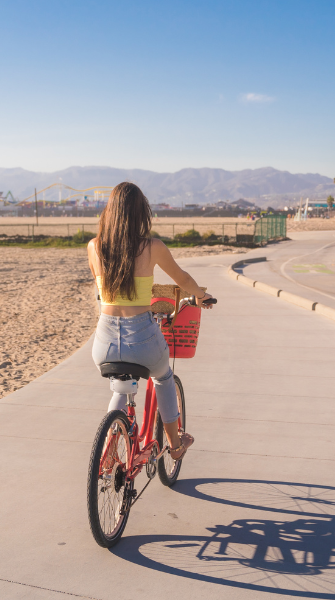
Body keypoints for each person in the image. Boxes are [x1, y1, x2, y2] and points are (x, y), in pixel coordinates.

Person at [87, 182, 212, 461]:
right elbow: (183, 280)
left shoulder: (94, 247)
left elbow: (102, 291)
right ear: (140, 212)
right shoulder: (152, 246)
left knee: (121, 385)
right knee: (163, 377)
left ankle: (107, 450)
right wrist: (201, 297)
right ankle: (175, 444)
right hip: (140, 336)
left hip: (104, 341)